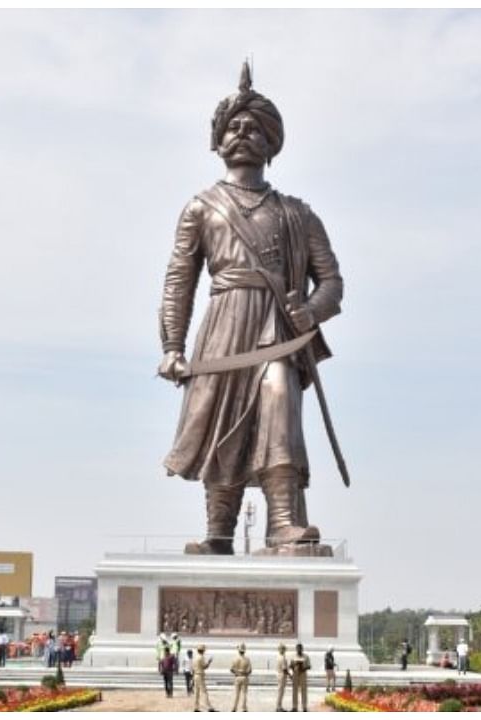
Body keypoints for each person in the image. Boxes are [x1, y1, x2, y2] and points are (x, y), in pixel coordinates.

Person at [158, 61, 345, 556]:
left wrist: (310, 311)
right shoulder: (201, 207)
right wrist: (172, 347)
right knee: (221, 421)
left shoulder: (297, 213)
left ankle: (283, 522)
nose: (243, 134)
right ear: (218, 142)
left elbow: (332, 283)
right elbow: (180, 280)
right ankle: (219, 531)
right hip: (222, 327)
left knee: (278, 401)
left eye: (254, 128)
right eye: (233, 127)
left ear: (271, 143)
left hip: (278, 330)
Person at [192, 643, 215, 712]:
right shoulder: (201, 657)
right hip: (200, 675)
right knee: (204, 692)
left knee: (197, 692)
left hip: (195, 675)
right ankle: (209, 707)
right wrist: (209, 662)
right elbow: (204, 666)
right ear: (203, 651)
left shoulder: (195, 657)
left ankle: (196, 707)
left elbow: (193, 668)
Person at [230, 643, 252, 712]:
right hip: (244, 677)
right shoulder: (247, 659)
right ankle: (244, 708)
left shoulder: (235, 658)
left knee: (236, 694)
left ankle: (234, 708)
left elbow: (231, 669)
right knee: (244, 693)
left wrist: (237, 673)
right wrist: (245, 673)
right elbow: (250, 670)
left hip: (237, 677)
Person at [290, 643, 310, 712]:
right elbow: (291, 665)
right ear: (296, 649)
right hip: (295, 675)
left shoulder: (306, 656)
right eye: (297, 649)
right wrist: (295, 667)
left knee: (304, 691)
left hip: (303, 674)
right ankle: (294, 707)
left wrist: (303, 668)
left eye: (300, 648)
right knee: (294, 691)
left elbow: (309, 666)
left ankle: (304, 707)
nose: (299, 650)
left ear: (302, 649)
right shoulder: (293, 656)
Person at [274, 643, 290, 712]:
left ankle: (279, 706)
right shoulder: (282, 658)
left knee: (280, 691)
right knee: (281, 692)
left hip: (279, 674)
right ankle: (278, 707)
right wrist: (290, 675)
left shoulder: (278, 656)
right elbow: (284, 669)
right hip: (282, 675)